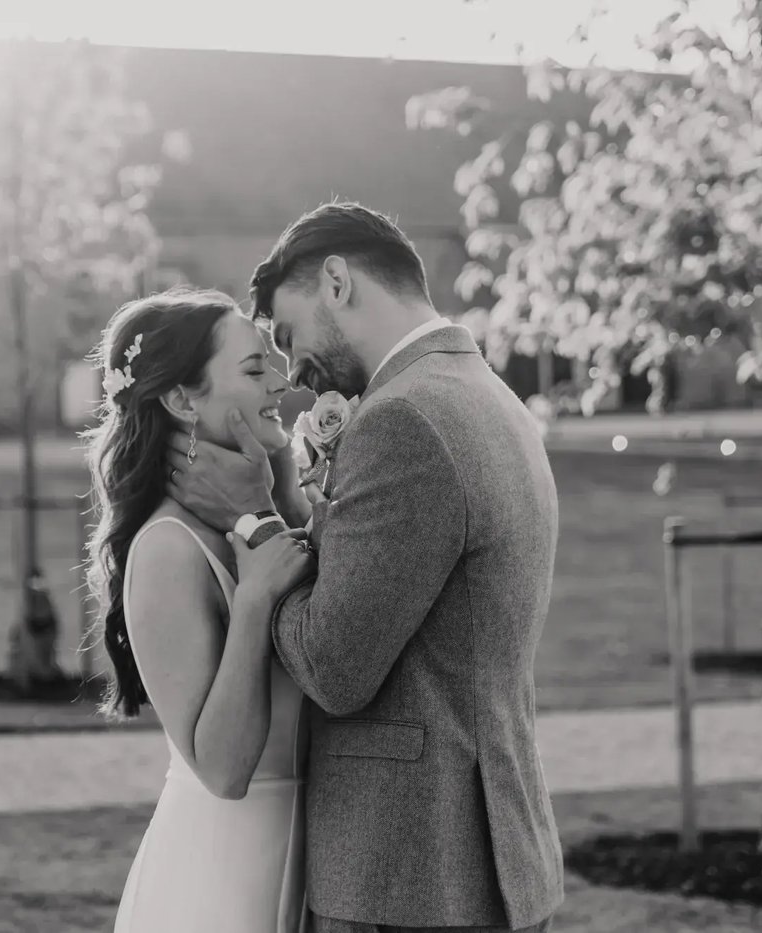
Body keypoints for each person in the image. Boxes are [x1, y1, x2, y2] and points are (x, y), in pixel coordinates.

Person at [166, 202, 565, 932]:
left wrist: (252, 524)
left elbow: (334, 668)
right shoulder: (491, 396)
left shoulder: (402, 419)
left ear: (338, 282)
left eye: (286, 334)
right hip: (489, 855)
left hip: (408, 872)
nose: (291, 369)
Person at [86, 287, 316, 933]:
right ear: (184, 399)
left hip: (314, 863)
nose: (280, 379)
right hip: (224, 879)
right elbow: (221, 767)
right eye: (252, 369)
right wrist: (253, 603)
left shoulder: (251, 519)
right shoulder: (167, 548)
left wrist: (282, 501)